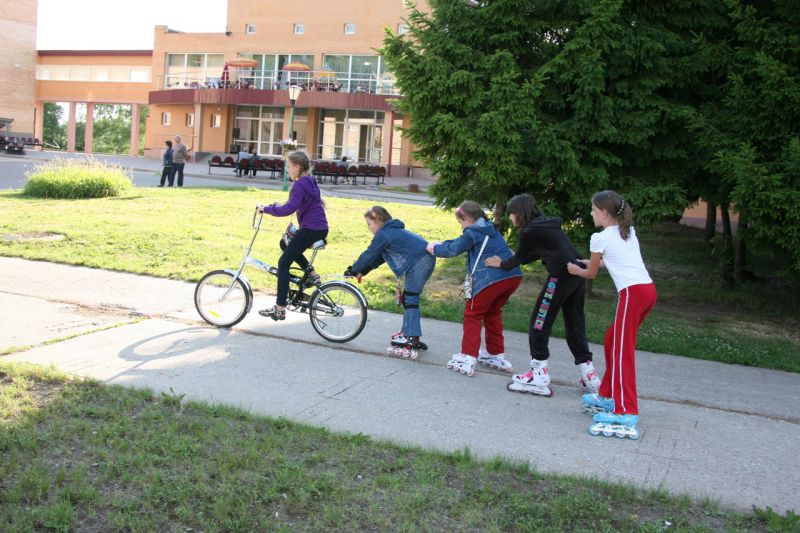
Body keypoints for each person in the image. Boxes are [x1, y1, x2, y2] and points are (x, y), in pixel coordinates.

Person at [485, 193, 600, 397]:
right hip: (576, 275)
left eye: (512, 213)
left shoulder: (529, 230)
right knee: (575, 324)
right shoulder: (547, 225)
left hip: (560, 277)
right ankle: (589, 374)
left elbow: (519, 258)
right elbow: (532, 255)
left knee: (539, 323)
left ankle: (538, 374)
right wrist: (512, 258)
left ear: (520, 213)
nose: (510, 217)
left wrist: (501, 263)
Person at [567, 190, 657, 439]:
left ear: (604, 213)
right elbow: (619, 259)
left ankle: (626, 409)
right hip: (648, 291)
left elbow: (591, 274)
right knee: (612, 339)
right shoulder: (627, 231)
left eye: (594, 210)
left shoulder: (599, 238)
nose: (591, 214)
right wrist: (592, 262)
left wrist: (577, 269)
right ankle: (608, 395)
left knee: (622, 351)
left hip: (633, 294)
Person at [426, 201, 522, 377]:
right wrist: (442, 243)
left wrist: (434, 248)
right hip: (512, 277)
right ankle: (495, 353)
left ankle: (468, 356)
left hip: (490, 280)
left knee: (472, 314)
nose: (461, 226)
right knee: (493, 312)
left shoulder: (472, 233)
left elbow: (453, 249)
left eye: (460, 222)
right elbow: (458, 241)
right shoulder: (489, 228)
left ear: (466, 218)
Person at [345, 206, 435, 359]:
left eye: (369, 224)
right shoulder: (391, 232)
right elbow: (380, 257)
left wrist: (353, 269)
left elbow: (369, 253)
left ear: (379, 220)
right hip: (424, 260)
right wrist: (364, 270)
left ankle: (411, 337)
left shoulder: (384, 234)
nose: (368, 228)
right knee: (409, 298)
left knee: (410, 298)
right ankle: (410, 333)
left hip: (420, 262)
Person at [256, 151, 327, 321]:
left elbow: (288, 209)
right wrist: (277, 205)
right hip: (319, 228)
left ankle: (279, 308)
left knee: (283, 263)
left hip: (310, 229)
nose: (287, 170)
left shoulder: (300, 184)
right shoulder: (310, 181)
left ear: (297, 167)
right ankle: (311, 274)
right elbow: (295, 204)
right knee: (285, 243)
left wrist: (266, 209)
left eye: (288, 167)